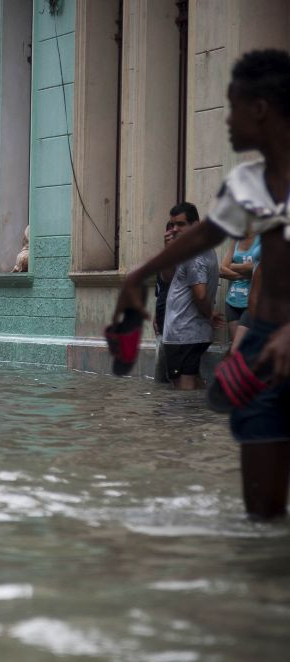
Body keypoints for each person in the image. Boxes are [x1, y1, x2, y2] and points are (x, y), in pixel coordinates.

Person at [112, 49, 290, 519]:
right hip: (262, 345)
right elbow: (207, 234)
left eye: (233, 106)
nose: (226, 119)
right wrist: (137, 273)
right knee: (261, 498)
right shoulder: (249, 181)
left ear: (262, 108)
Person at [159, 202, 221, 390]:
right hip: (185, 331)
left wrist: (209, 313)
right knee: (192, 380)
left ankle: (184, 419)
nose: (175, 229)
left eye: (180, 224)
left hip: (185, 332)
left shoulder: (195, 253)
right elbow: (168, 278)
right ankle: (199, 417)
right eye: (172, 225)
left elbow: (200, 293)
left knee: (182, 385)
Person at [219, 233, 261, 341]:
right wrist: (244, 275)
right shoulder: (235, 239)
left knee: (243, 345)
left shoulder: (261, 238)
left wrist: (233, 266)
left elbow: (256, 266)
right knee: (236, 348)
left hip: (251, 302)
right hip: (232, 300)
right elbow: (223, 269)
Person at [152, 219, 179, 382]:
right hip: (163, 316)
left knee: (178, 371)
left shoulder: (187, 257)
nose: (171, 234)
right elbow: (160, 289)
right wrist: (156, 314)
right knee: (161, 371)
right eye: (169, 231)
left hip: (178, 319)